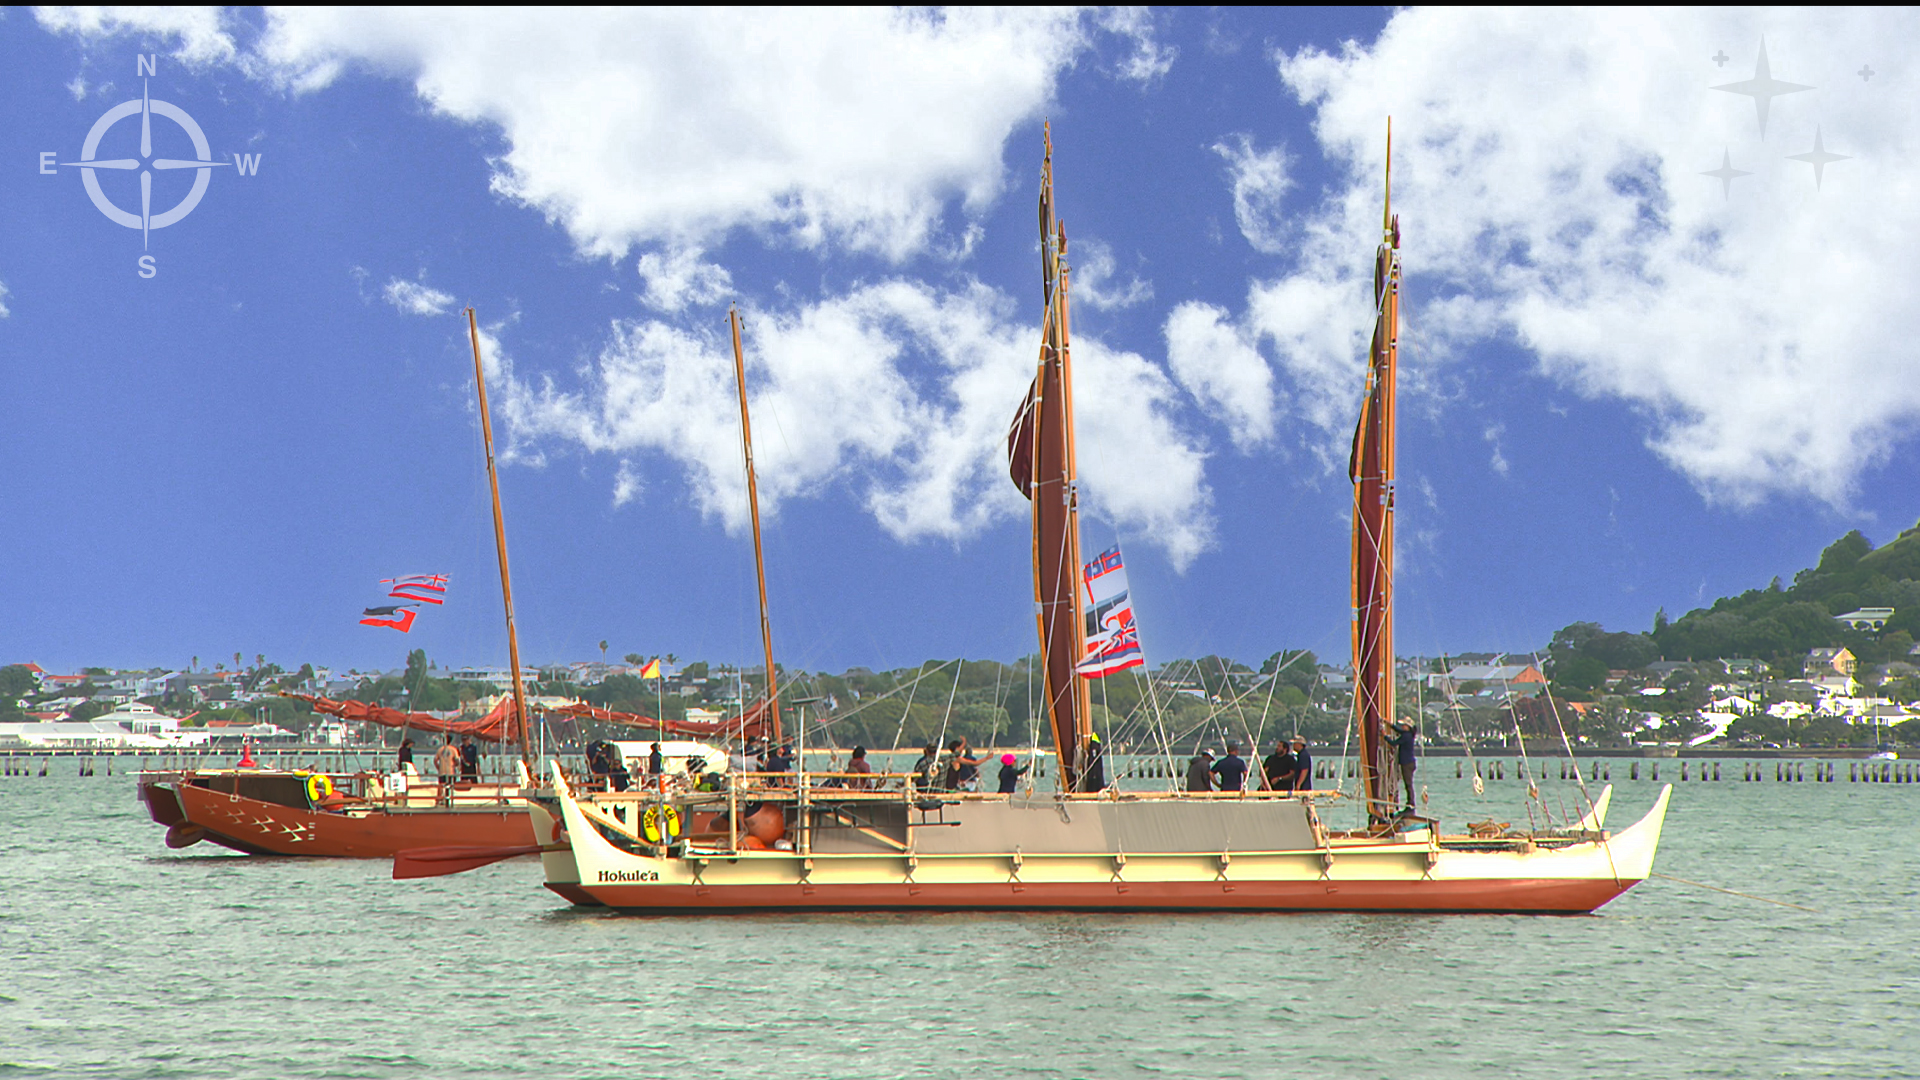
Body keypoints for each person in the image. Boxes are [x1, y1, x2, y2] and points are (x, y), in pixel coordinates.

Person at [1388, 720, 1419, 808]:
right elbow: (1399, 731)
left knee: (1408, 784)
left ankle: (1411, 802)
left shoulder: (1406, 736)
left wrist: (1385, 736)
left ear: (1407, 727)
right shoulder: (1408, 734)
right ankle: (1410, 802)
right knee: (1408, 783)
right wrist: (1390, 725)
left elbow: (1393, 743)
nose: (1402, 726)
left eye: (1403, 725)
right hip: (1409, 762)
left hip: (1407, 763)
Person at [433, 737, 461, 804]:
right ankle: (447, 799)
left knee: (441, 785)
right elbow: (457, 760)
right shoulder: (453, 749)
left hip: (442, 770)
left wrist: (438, 768)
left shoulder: (440, 749)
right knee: (449, 785)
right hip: (450, 770)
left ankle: (438, 800)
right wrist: (456, 765)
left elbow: (435, 760)